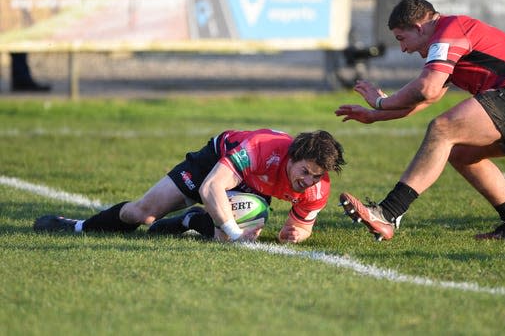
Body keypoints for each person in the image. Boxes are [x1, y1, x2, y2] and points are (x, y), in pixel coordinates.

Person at [335, 0, 505, 241]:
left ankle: (387, 213)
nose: (403, 49)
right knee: (462, 153)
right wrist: (374, 116)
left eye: (402, 39)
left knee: (443, 128)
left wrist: (380, 102)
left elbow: (427, 89)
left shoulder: (449, 31)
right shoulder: (450, 37)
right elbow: (426, 99)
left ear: (419, 27)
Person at [34, 129, 346, 244]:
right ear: (291, 157)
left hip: (251, 187)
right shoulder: (261, 148)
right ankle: (76, 227)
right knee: (143, 214)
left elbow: (301, 228)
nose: (308, 181)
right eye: (304, 171)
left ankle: (191, 220)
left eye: (316, 176)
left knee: (238, 226)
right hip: (213, 163)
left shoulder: (316, 187)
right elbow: (213, 186)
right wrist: (236, 233)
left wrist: (294, 235)